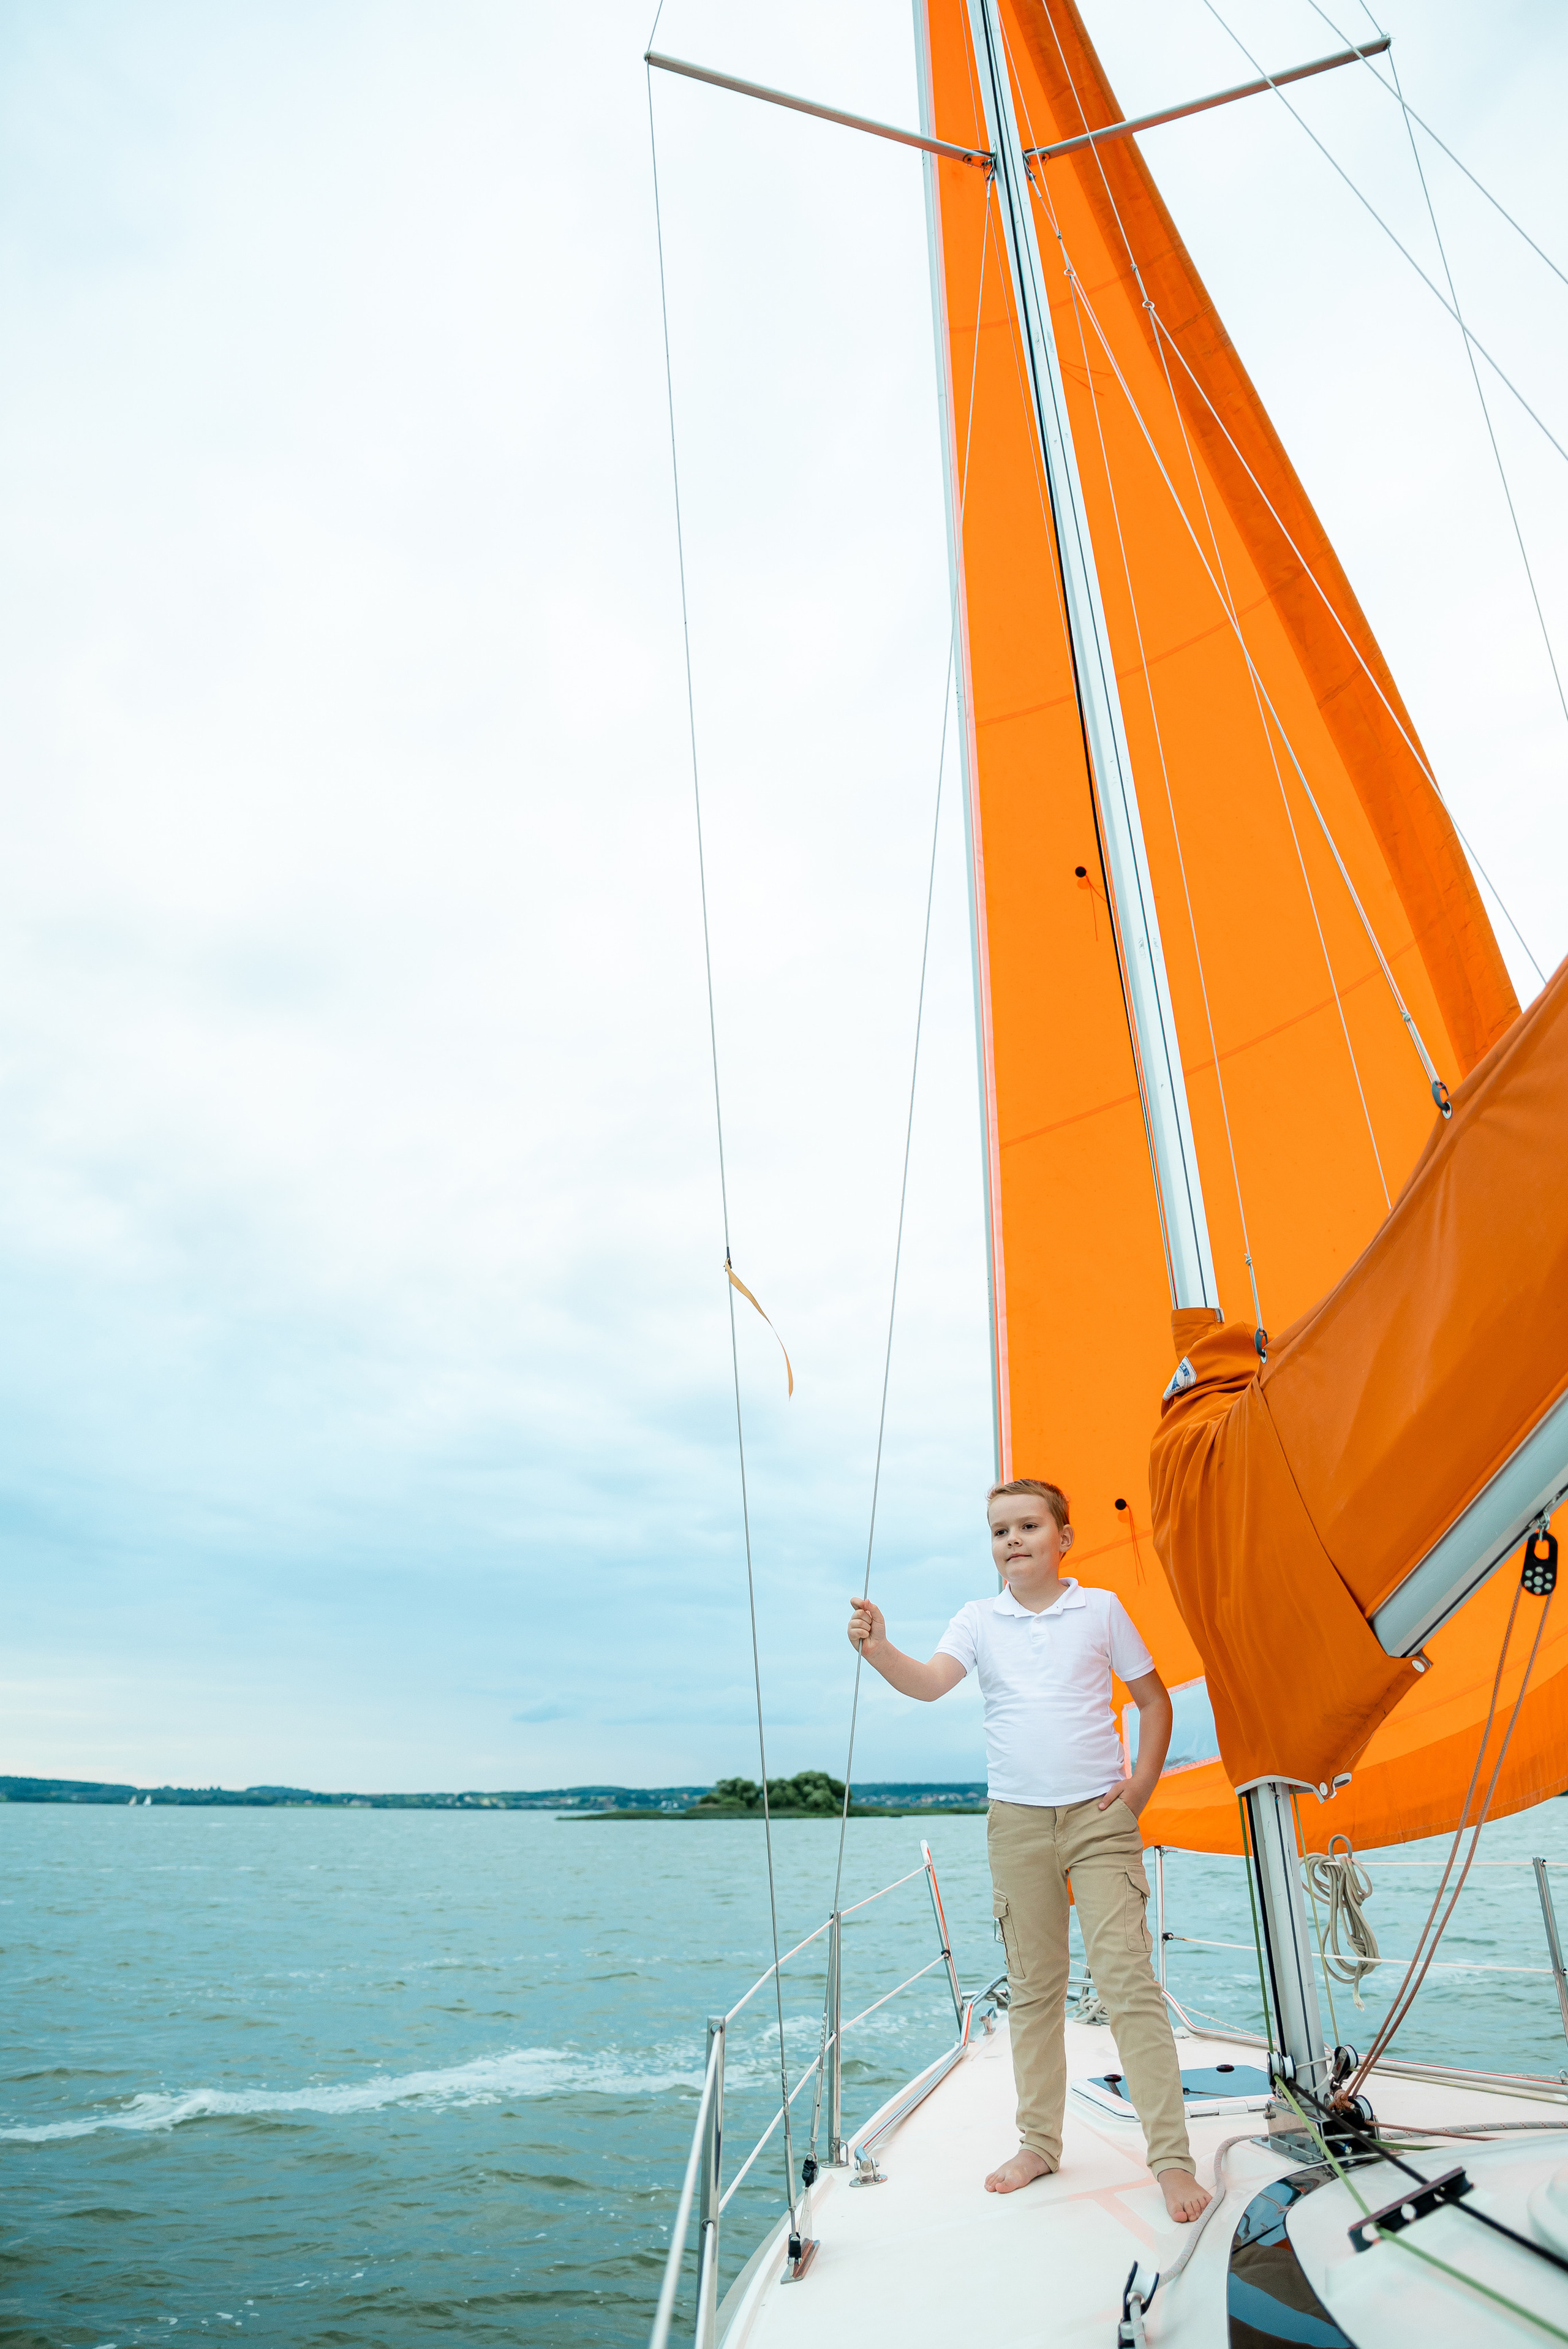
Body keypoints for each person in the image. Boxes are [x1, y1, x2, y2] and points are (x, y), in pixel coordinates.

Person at [846, 1476, 1211, 2222]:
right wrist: (881, 1650)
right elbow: (927, 1683)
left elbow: (1153, 1700)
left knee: (1127, 1985)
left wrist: (1137, 1791)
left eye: (1027, 1527)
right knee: (1034, 1989)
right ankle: (1039, 2144)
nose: (1012, 1541)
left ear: (1063, 1538)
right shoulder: (978, 1620)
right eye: (998, 1531)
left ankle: (1171, 2160)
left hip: (1098, 1821)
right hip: (1015, 1825)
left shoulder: (1101, 1609)